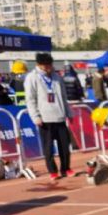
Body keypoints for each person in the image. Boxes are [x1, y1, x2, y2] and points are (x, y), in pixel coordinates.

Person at [24, 52, 74, 180]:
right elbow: (30, 99)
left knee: (65, 146)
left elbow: (64, 97)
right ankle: (53, 171)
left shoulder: (57, 77)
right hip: (45, 118)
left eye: (50, 65)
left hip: (60, 116)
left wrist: (69, 113)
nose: (48, 68)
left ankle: (66, 168)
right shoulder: (32, 78)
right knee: (48, 148)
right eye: (45, 66)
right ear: (39, 65)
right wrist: (35, 116)